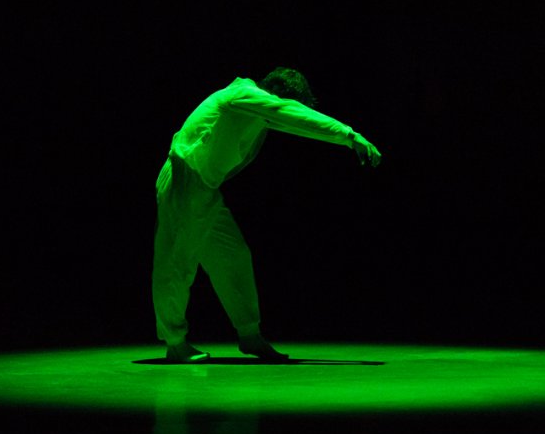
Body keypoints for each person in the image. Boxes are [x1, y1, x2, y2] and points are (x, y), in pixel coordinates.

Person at [153, 67, 382, 363]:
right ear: (276, 92)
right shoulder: (244, 94)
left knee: (233, 257)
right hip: (185, 179)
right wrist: (350, 136)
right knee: (177, 262)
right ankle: (174, 343)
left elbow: (293, 121)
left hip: (204, 187)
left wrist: (346, 138)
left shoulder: (254, 107)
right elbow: (287, 113)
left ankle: (250, 335)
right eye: (286, 101)